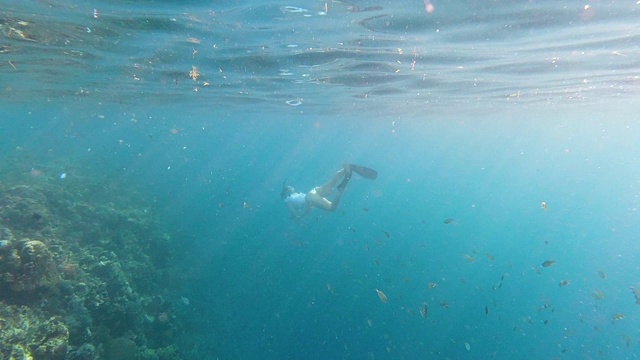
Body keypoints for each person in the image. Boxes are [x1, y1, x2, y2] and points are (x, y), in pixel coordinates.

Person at [281, 164, 377, 219]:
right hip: (312, 192)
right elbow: (308, 207)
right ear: (289, 190)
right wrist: (307, 211)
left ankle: (340, 190)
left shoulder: (287, 200)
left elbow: (293, 211)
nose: (292, 187)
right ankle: (347, 168)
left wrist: (298, 217)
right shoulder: (296, 194)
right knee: (331, 183)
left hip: (310, 197)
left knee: (332, 208)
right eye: (290, 187)